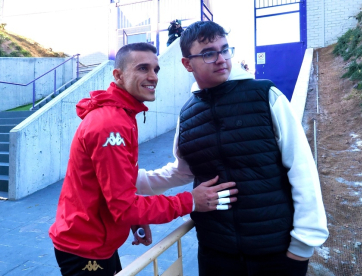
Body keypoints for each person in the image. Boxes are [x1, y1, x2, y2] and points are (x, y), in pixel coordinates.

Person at [136, 21, 329, 276]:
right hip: (216, 254)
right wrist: (127, 179)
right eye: (208, 53)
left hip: (276, 252)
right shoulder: (188, 114)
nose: (221, 58)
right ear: (187, 64)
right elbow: (182, 172)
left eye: (225, 49)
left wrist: (303, 243)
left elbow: (302, 167)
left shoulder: (266, 96)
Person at [48, 42, 237, 276]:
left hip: (95, 241)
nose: (153, 77)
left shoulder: (122, 114)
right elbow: (123, 206)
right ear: (118, 75)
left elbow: (116, 189)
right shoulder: (111, 125)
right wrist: (190, 201)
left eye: (156, 69)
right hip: (85, 249)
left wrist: (133, 218)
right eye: (142, 68)